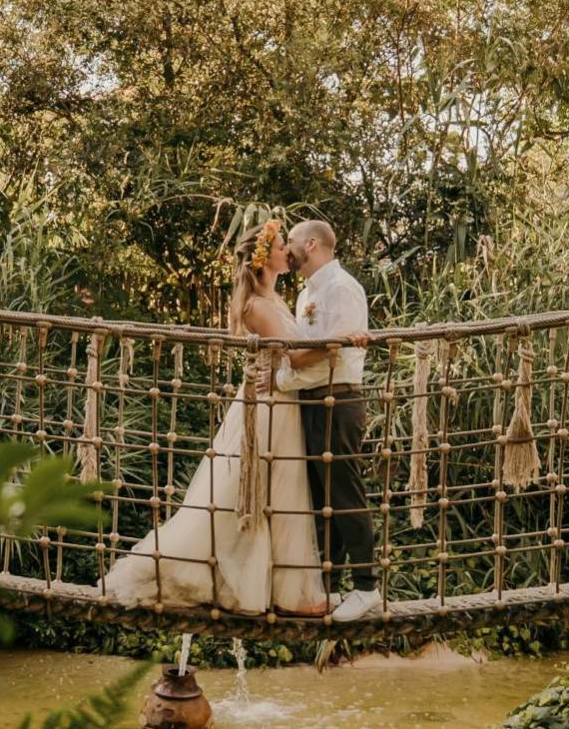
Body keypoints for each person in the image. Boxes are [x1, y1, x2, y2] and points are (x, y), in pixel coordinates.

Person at [104, 220, 328, 615]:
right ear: (263, 259)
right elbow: (293, 355)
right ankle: (249, 584)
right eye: (280, 246)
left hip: (280, 402)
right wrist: (340, 345)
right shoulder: (257, 306)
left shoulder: (275, 300)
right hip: (268, 408)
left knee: (279, 493)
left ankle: (287, 590)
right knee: (247, 492)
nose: (287, 252)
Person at [273, 220, 379, 624]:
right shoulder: (306, 294)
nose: (288, 249)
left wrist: (289, 369)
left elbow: (335, 349)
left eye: (293, 242)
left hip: (339, 401)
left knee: (345, 493)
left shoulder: (342, 288)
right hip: (311, 403)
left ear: (311, 244)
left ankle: (367, 587)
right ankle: (329, 587)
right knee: (322, 500)